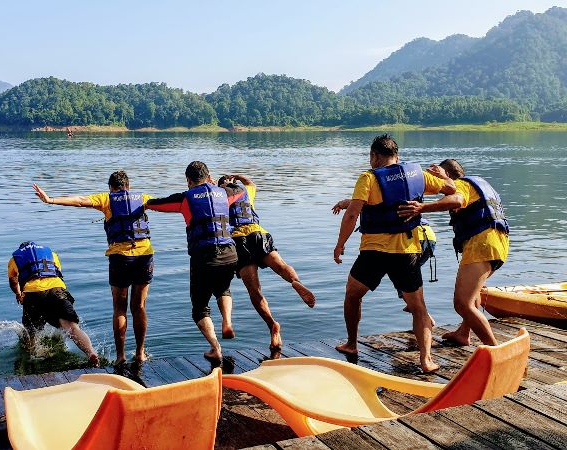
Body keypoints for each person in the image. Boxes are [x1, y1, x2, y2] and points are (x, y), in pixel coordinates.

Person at [333, 134, 455, 373]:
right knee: (418, 307)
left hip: (374, 252)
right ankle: (426, 360)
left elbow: (352, 214)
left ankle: (351, 344)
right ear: (396, 156)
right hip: (407, 252)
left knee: (352, 295)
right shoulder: (417, 174)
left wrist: (340, 245)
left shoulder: (368, 178)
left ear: (374, 156)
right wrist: (437, 184)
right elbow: (451, 189)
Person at [32, 171, 153, 365]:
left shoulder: (106, 199)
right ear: (128, 186)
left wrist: (50, 200)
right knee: (139, 307)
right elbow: (167, 203)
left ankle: (121, 357)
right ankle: (140, 354)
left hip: (120, 259)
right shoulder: (144, 198)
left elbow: (80, 200)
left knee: (120, 309)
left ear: (111, 188)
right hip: (145, 257)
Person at [399, 158, 509, 346]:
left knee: (462, 304)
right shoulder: (476, 183)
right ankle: (463, 333)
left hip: (482, 244)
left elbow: (456, 199)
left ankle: (496, 350)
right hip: (497, 243)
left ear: (447, 175)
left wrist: (422, 208)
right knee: (472, 295)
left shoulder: (460, 185)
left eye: (439, 178)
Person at [146, 161, 244, 361]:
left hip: (204, 257)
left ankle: (215, 348)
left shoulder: (185, 198)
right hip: (230, 254)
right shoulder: (226, 193)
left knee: (200, 309)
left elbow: (155, 204)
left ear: (188, 180)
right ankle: (227, 321)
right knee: (223, 289)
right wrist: (219, 186)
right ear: (209, 177)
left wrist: (143, 202)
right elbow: (241, 189)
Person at [218, 174, 316, 354]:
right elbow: (251, 182)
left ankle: (272, 325)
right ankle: (295, 282)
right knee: (280, 265)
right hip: (258, 233)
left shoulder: (218, 195)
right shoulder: (245, 190)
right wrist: (237, 177)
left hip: (239, 241)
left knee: (254, 291)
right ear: (233, 182)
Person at [8, 241, 99, 367]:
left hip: (32, 293)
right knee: (72, 327)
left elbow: (13, 282)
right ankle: (91, 352)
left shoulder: (14, 259)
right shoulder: (52, 254)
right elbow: (57, 273)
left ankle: (32, 357)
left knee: (32, 331)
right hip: (57, 290)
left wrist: (18, 294)